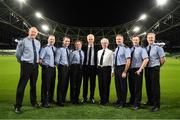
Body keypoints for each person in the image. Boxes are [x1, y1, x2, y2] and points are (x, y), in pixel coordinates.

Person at [14, 27, 41, 113]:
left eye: (35, 32)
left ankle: (34, 102)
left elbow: (37, 53)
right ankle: (17, 106)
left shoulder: (38, 42)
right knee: (22, 86)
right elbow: (18, 54)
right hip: (26, 65)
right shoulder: (23, 41)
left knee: (33, 85)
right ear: (28, 32)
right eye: (32, 31)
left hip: (35, 66)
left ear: (37, 33)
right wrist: (23, 62)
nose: (33, 33)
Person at [145, 33, 165, 112]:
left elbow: (163, 59)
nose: (150, 39)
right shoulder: (146, 48)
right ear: (147, 39)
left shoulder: (158, 48)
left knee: (155, 87)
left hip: (154, 68)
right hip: (147, 69)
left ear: (154, 38)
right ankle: (150, 101)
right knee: (148, 86)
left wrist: (158, 66)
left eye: (152, 38)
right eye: (149, 38)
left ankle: (156, 105)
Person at [128, 35, 149, 110]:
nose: (135, 41)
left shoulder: (142, 49)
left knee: (137, 87)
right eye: (134, 40)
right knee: (131, 87)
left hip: (138, 69)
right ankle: (132, 101)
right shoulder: (130, 49)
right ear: (132, 41)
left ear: (139, 40)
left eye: (136, 40)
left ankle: (137, 103)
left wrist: (140, 69)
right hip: (130, 70)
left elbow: (146, 59)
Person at [114, 34, 131, 108]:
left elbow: (128, 60)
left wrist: (125, 71)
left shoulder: (126, 48)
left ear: (123, 40)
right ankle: (119, 100)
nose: (118, 40)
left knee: (123, 86)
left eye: (119, 39)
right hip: (116, 68)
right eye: (117, 39)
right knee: (117, 86)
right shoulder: (116, 48)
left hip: (122, 68)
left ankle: (123, 103)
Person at [39, 35, 56, 108]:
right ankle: (44, 101)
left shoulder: (55, 48)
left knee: (52, 84)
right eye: (50, 39)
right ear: (48, 40)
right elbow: (40, 60)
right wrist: (45, 67)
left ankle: (50, 99)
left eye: (53, 39)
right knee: (46, 85)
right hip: (46, 68)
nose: (52, 40)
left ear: (55, 40)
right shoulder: (44, 48)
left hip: (53, 68)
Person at [82, 34, 99, 104]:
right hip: (85, 68)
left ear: (94, 39)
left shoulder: (98, 48)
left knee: (93, 84)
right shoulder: (83, 48)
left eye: (91, 39)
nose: (90, 40)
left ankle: (91, 98)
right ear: (87, 39)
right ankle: (84, 98)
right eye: (89, 39)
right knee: (85, 84)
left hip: (93, 68)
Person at [97, 38, 113, 105]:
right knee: (100, 85)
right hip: (100, 69)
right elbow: (97, 61)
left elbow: (112, 62)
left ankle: (106, 100)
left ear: (108, 44)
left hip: (107, 69)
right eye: (103, 43)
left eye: (105, 43)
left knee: (106, 85)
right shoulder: (99, 51)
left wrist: (112, 71)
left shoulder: (111, 52)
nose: (104, 44)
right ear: (101, 44)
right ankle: (101, 99)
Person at [55, 36, 71, 106]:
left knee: (66, 84)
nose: (67, 42)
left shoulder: (68, 50)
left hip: (68, 68)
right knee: (61, 84)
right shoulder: (59, 50)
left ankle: (63, 99)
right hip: (62, 68)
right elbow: (56, 60)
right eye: (66, 41)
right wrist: (60, 67)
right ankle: (59, 100)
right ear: (63, 41)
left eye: (68, 41)